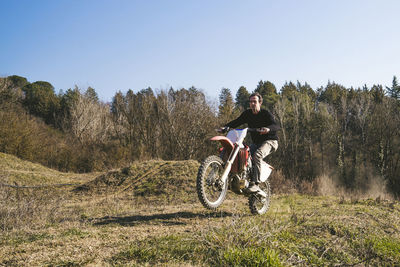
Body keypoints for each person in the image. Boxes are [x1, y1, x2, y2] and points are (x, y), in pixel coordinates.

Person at [221, 92, 280, 193]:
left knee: (257, 155)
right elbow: (237, 121)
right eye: (251, 102)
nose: (252, 104)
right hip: (256, 143)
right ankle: (239, 180)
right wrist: (226, 127)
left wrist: (268, 129)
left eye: (255, 101)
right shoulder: (247, 114)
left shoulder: (265, 114)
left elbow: (276, 126)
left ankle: (255, 184)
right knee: (243, 156)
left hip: (270, 141)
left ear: (260, 103)